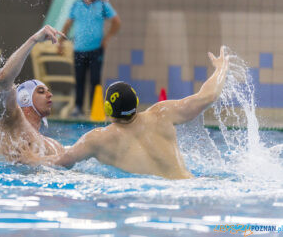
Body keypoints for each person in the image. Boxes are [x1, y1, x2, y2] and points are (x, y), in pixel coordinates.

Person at [49, 46, 229, 180]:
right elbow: (209, 96)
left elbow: (62, 162)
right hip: (191, 184)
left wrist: (30, 158)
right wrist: (221, 68)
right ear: (136, 101)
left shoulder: (97, 139)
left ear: (108, 109)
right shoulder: (162, 113)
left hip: (155, 197)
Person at [0, 25, 66, 164]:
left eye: (48, 91)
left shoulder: (54, 145)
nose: (49, 95)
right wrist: (33, 40)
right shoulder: (10, 122)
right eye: (41, 91)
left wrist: (35, 161)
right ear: (24, 99)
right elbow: (3, 79)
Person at [59, 0, 121, 117]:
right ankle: (78, 108)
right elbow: (68, 24)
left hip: (96, 49)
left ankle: (95, 108)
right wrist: (60, 42)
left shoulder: (103, 6)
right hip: (79, 50)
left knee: (95, 80)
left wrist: (107, 37)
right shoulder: (76, 5)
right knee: (79, 80)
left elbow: (117, 21)